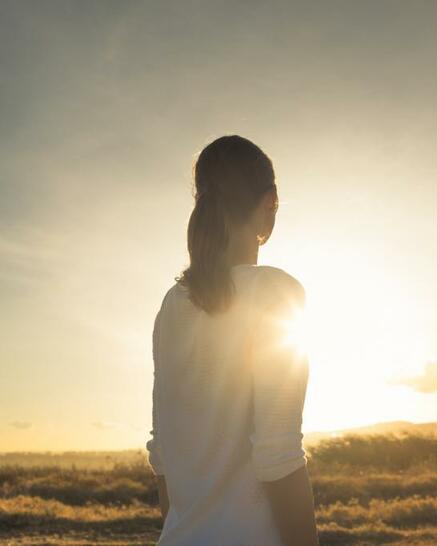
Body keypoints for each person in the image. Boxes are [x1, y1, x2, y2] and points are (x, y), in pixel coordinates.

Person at [146, 135, 319, 545]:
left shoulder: (171, 306)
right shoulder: (276, 293)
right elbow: (278, 457)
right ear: (270, 204)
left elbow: (164, 456)